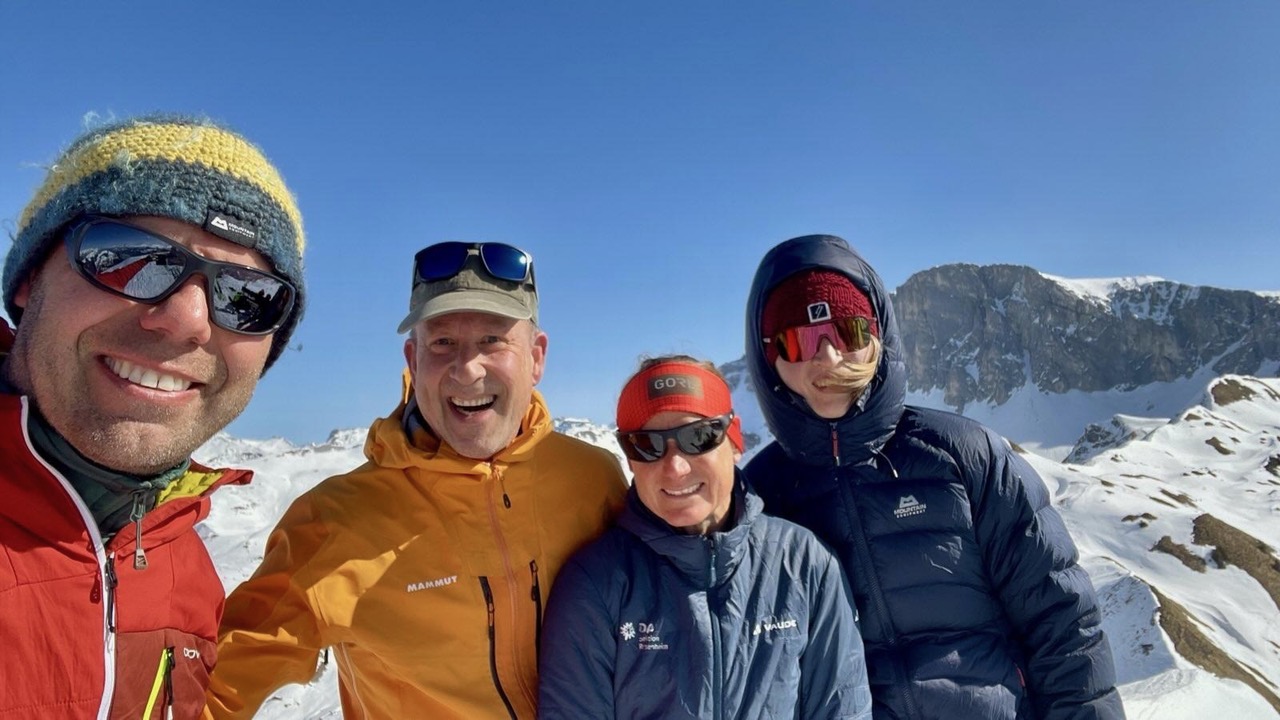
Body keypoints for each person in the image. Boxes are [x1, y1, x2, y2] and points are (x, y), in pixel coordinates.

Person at [205, 241, 629, 719]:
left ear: (536, 357)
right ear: (412, 357)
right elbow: (218, 688)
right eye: (443, 342)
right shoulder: (334, 522)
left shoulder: (593, 480)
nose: (467, 370)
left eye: (493, 340)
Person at [743, 235, 1126, 719]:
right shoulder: (760, 496)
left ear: (880, 336)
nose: (829, 359)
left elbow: (1062, 622)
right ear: (769, 359)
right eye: (799, 341)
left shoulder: (963, 455)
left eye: (850, 333)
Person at [0, 115, 307, 719]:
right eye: (130, 258)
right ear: (30, 280)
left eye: (248, 298)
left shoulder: (186, 574)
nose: (188, 320)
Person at [539, 355, 874, 719]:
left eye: (698, 437)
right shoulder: (597, 584)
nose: (675, 467)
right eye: (646, 445)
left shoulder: (804, 564)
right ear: (630, 460)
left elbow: (841, 708)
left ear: (734, 440)